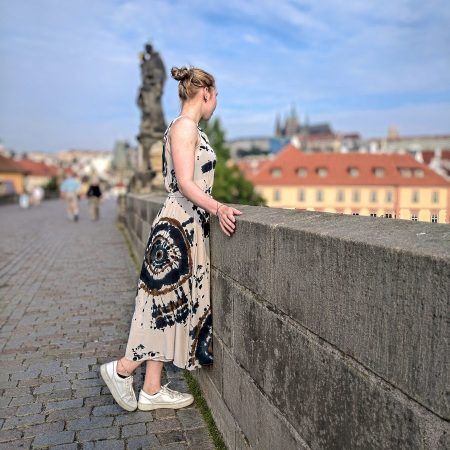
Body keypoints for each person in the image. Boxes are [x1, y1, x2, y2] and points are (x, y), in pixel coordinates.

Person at [100, 65, 242, 412]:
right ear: (205, 92)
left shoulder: (188, 128)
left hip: (187, 227)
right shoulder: (184, 127)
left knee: (169, 307)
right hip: (177, 229)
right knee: (159, 307)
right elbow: (186, 183)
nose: (216, 102)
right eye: (217, 96)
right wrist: (219, 207)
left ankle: (151, 389)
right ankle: (122, 370)